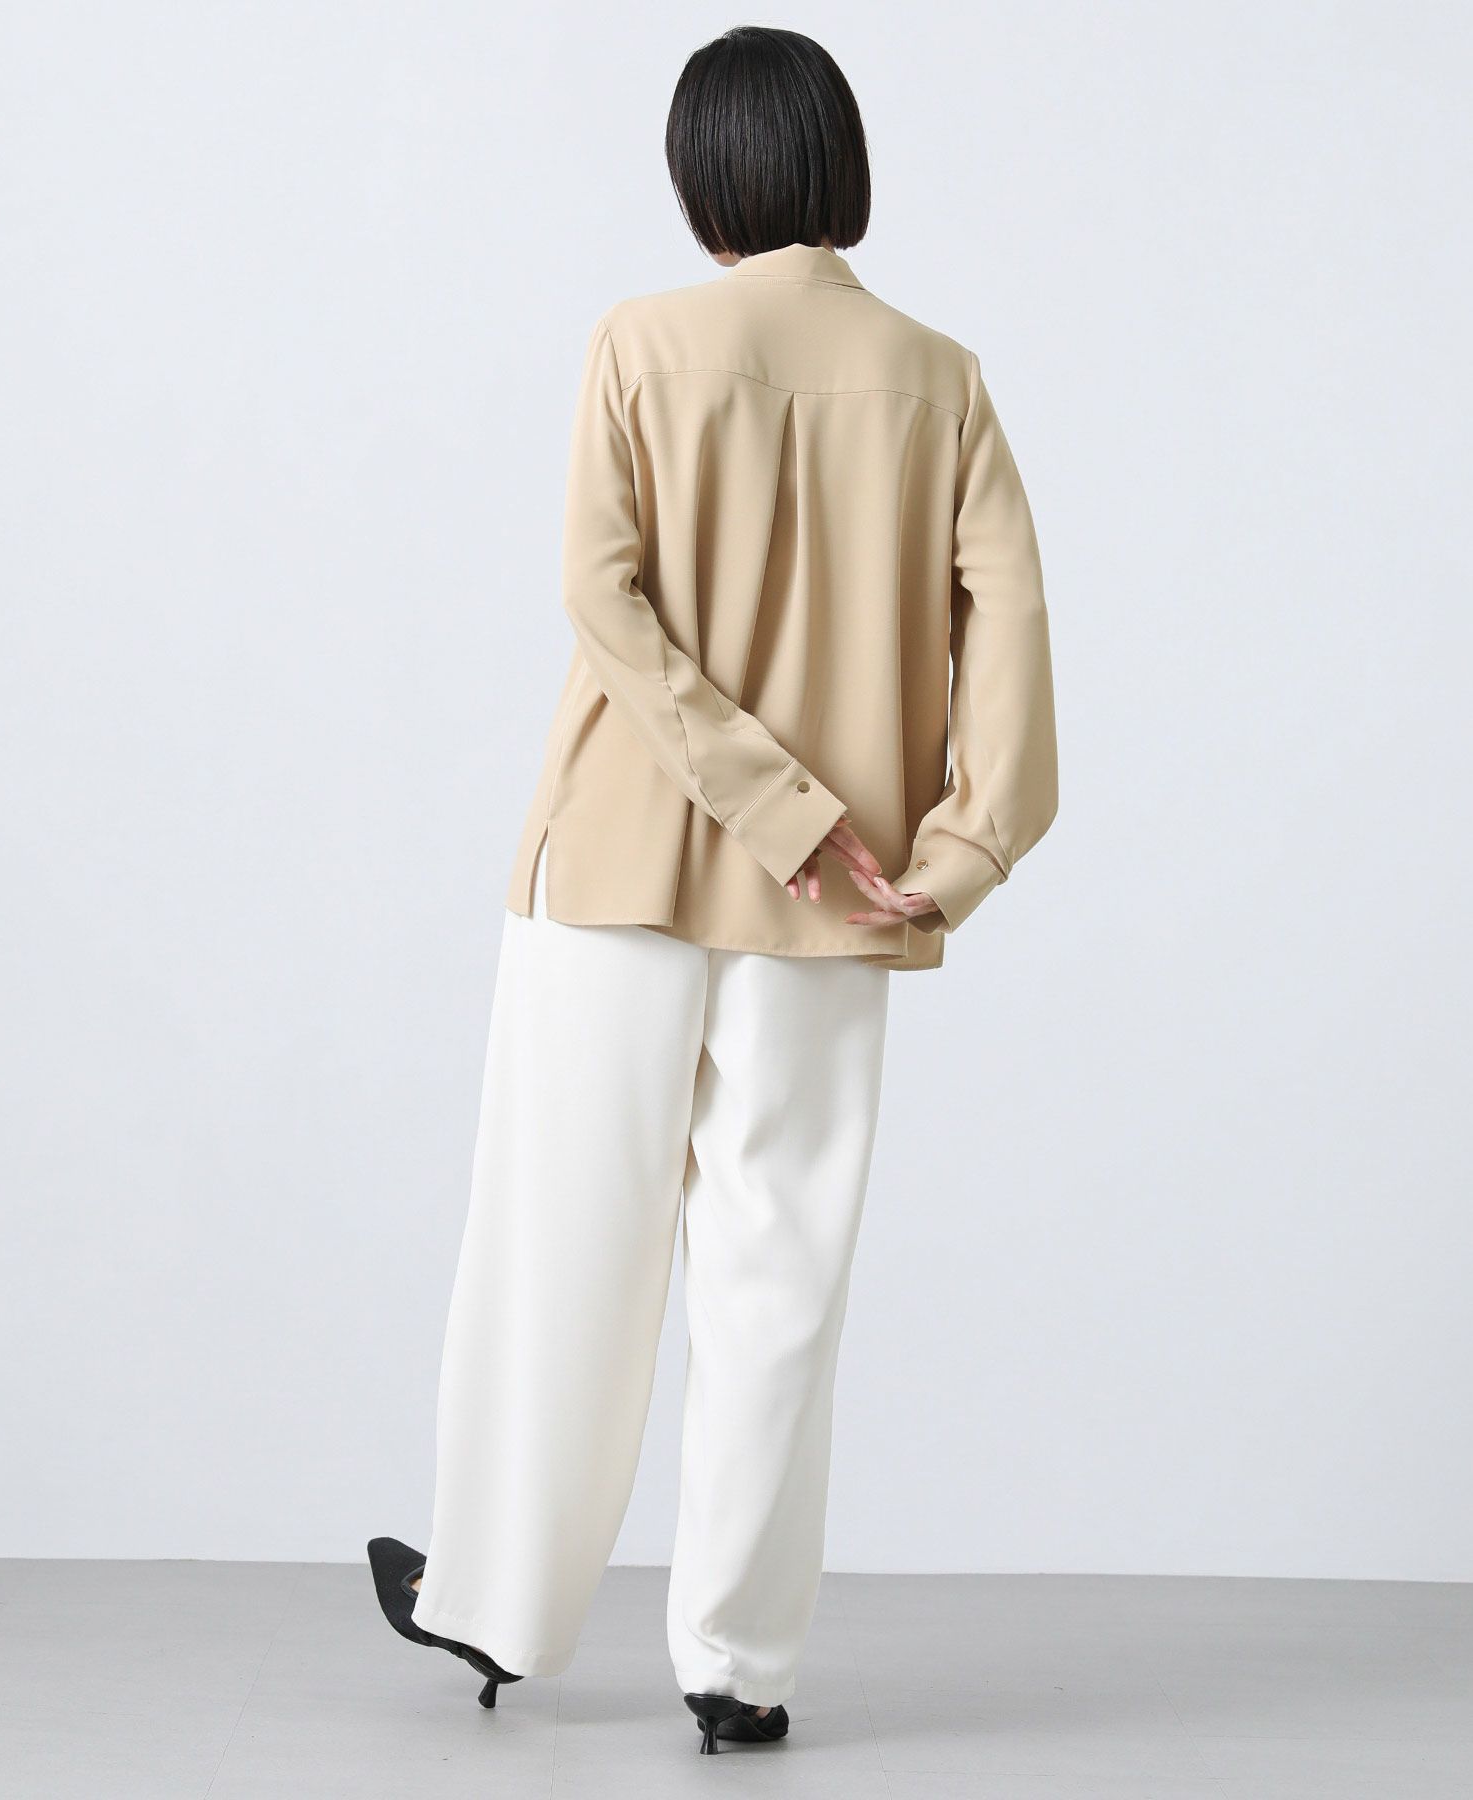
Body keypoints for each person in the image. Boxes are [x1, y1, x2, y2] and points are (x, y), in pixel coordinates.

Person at [370, 23, 1057, 1755]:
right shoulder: (943, 379)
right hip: (846, 895)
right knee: (780, 1275)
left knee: (563, 1238)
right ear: (841, 164)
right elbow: (1015, 652)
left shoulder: (641, 342)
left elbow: (601, 601)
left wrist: (766, 800)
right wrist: (948, 859)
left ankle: (495, 1608)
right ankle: (740, 1667)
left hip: (618, 859)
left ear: (705, 178)